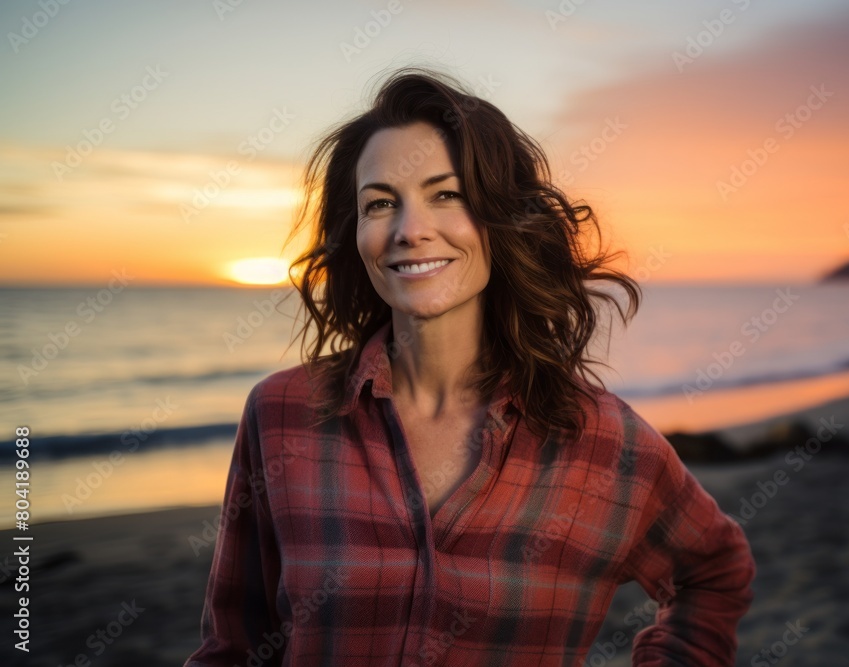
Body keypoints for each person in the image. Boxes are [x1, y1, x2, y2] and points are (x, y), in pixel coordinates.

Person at [185, 67, 755, 666]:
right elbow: (232, 647)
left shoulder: (605, 442)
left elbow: (714, 571)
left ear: (500, 218)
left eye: (446, 194)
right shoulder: (281, 415)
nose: (410, 230)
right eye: (381, 203)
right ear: (356, 232)